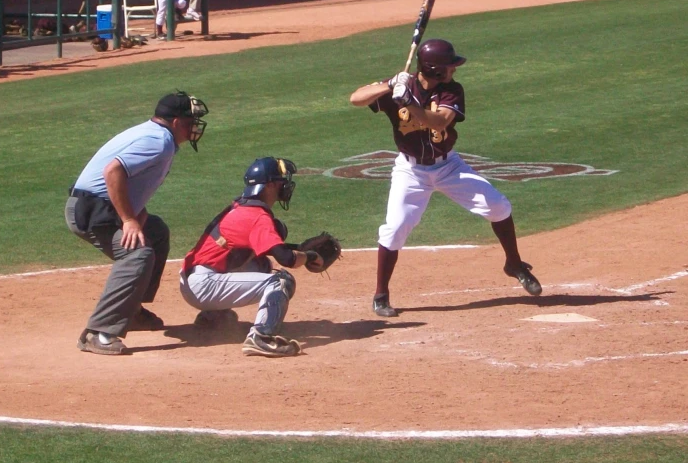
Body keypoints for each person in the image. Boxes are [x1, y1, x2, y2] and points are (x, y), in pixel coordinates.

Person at [349, 39, 542, 318]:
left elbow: (439, 122)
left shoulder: (452, 90)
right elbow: (355, 98)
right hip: (410, 171)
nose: (454, 70)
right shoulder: (402, 85)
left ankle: (514, 264)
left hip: (448, 166)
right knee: (394, 229)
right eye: (450, 66)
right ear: (435, 69)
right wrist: (391, 84)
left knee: (498, 205)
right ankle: (381, 294)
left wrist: (407, 103)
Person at [65, 91, 209, 355]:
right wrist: (129, 219)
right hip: (92, 210)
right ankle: (99, 332)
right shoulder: (159, 141)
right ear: (176, 122)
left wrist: (137, 216)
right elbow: (113, 171)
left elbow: (133, 184)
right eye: (190, 121)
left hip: (99, 206)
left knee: (155, 232)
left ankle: (132, 311)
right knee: (137, 254)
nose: (194, 126)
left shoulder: (158, 136)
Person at [180, 157, 324, 358]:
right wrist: (309, 256)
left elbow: (267, 249)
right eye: (281, 181)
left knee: (262, 264)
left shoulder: (241, 206)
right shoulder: (257, 216)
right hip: (204, 285)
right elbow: (286, 259)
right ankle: (261, 338)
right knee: (281, 281)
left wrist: (297, 249)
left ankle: (214, 316)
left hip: (193, 280)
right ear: (271, 185)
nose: (285, 186)